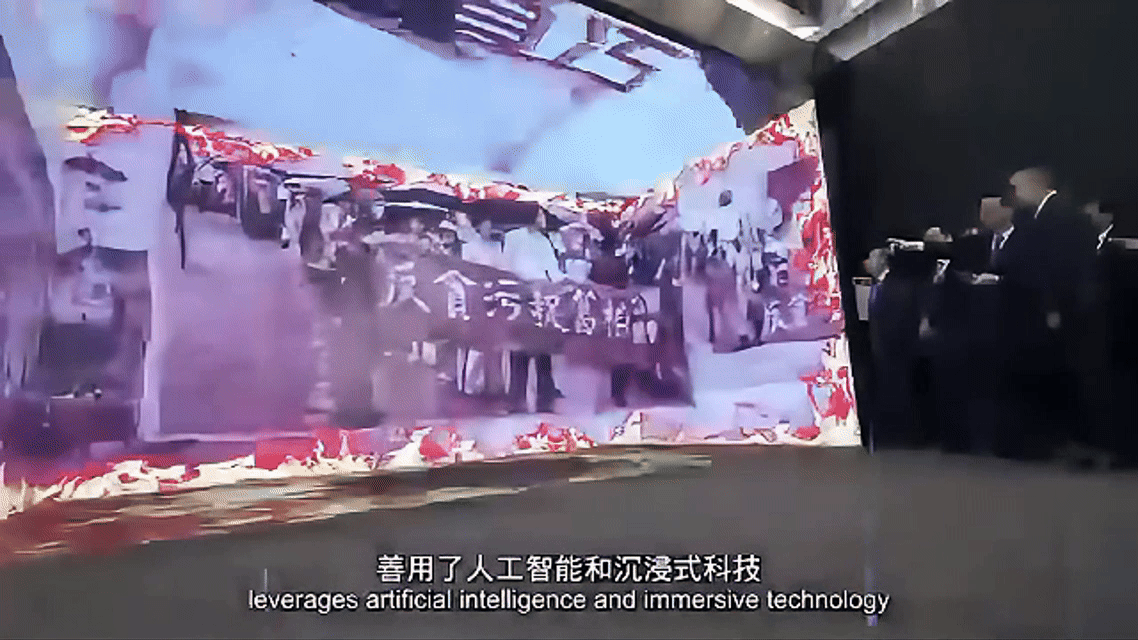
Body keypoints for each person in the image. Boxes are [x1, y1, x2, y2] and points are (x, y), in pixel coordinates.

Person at [1006, 167, 1098, 458]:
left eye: (1017, 187)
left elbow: (1058, 266)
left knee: (1066, 371)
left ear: (1035, 185)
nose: (1015, 195)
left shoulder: (1060, 217)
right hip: (1055, 306)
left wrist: (1052, 305)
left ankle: (1073, 440)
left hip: (1063, 307)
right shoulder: (1048, 216)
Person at [502, 208, 564, 413]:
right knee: (519, 348)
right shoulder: (513, 237)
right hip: (521, 295)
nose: (542, 219)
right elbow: (507, 267)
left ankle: (545, 397)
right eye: (539, 214)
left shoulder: (544, 241)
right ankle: (517, 398)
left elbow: (553, 271)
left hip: (541, 295)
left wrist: (564, 284)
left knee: (543, 350)